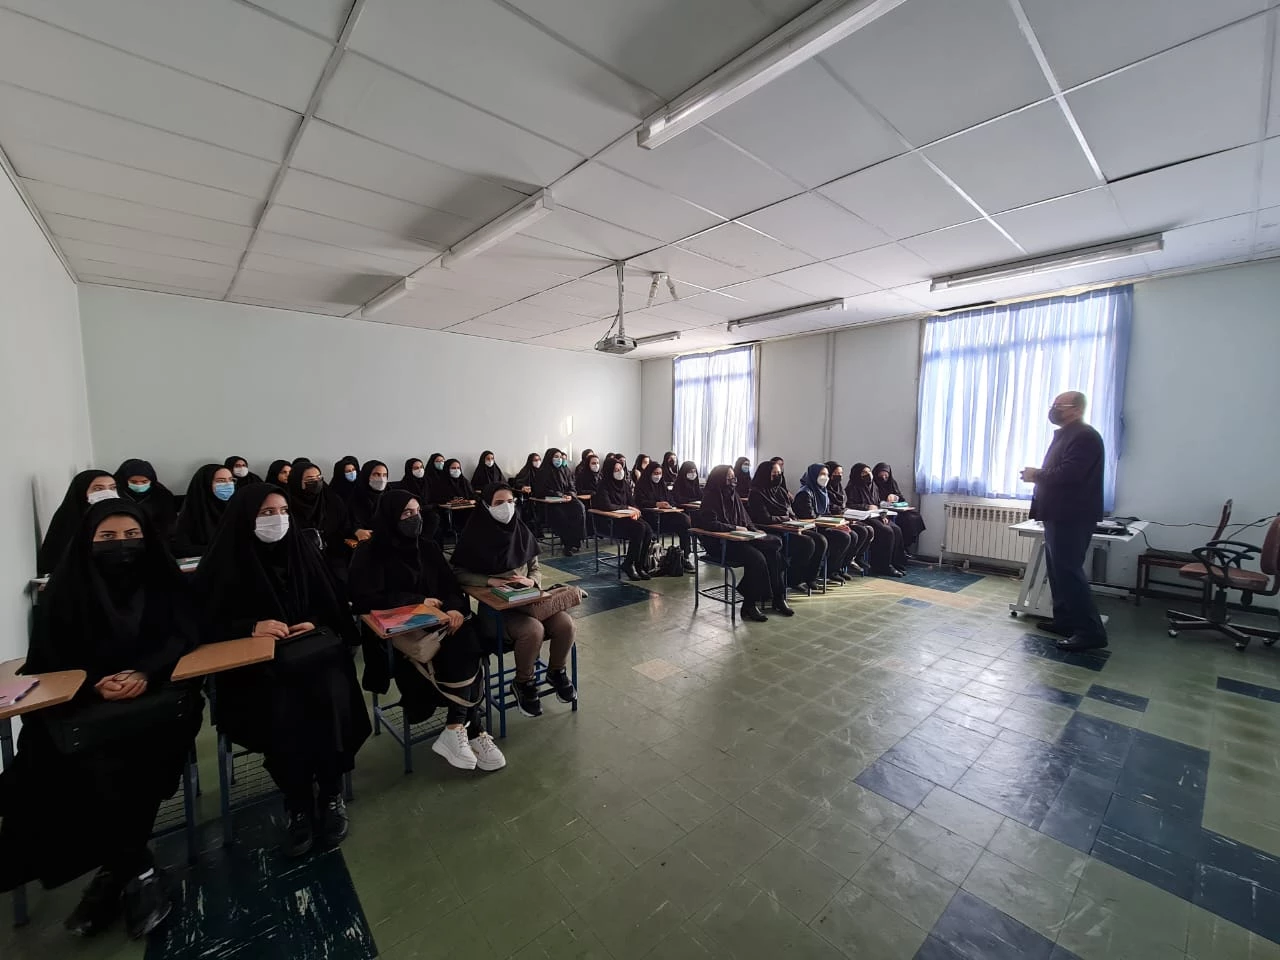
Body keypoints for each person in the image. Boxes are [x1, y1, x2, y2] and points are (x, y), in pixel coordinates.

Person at [0, 500, 202, 940]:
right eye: (107, 538)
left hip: (159, 699)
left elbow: (185, 635)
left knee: (135, 758)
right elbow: (49, 659)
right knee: (53, 762)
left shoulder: (164, 581)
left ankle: (116, 874)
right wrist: (94, 682)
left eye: (132, 536)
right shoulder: (67, 592)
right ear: (86, 542)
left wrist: (145, 672)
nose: (122, 546)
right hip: (86, 702)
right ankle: (135, 867)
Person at [193, 483, 370, 856]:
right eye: (266, 513)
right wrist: (250, 627)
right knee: (280, 710)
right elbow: (199, 623)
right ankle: (298, 800)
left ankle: (331, 790)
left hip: (313, 655)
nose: (278, 520)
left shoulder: (302, 552)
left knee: (331, 696)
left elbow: (332, 606)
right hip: (258, 668)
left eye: (283, 512)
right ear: (246, 518)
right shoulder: (226, 561)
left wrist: (313, 622)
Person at [348, 490, 504, 772]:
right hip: (400, 635)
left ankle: (456, 726)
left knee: (470, 634)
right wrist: (418, 601)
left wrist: (455, 609)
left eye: (418, 511)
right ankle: (473, 728)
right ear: (390, 517)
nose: (415, 518)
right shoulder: (369, 551)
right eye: (407, 513)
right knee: (464, 647)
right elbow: (363, 599)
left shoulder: (428, 547)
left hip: (440, 625)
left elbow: (450, 587)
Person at [451, 482, 577, 718]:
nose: (507, 507)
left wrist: (532, 580)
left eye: (510, 502)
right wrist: (489, 581)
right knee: (533, 630)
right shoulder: (474, 534)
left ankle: (556, 672)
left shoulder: (521, 530)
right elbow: (458, 573)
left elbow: (535, 568)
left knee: (565, 624)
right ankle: (523, 683)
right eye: (499, 503)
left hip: (528, 601)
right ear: (486, 506)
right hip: (496, 611)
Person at [1021, 391, 1108, 652]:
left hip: (1072, 515)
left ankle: (1090, 632)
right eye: (1054, 404)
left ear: (1077, 409)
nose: (1054, 408)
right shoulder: (1066, 435)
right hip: (1057, 514)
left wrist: (1036, 474)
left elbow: (1070, 474)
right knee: (1058, 572)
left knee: (1069, 573)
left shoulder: (1085, 436)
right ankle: (1065, 621)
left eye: (1060, 405)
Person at [695, 466, 792, 622]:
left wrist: (755, 531)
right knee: (757, 559)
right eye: (729, 478)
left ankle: (778, 598)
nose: (733, 481)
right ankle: (749, 604)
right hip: (721, 544)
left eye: (734, 477)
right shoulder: (711, 497)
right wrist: (734, 528)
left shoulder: (734, 495)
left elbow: (746, 520)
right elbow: (710, 524)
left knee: (773, 553)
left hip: (740, 540)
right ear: (719, 479)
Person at [748, 461, 826, 592]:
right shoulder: (756, 493)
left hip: (789, 528)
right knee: (807, 543)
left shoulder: (780, 491)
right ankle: (793, 579)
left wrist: (795, 522)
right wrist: (786, 519)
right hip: (772, 531)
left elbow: (790, 511)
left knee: (821, 540)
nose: (778, 476)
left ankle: (810, 577)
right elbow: (765, 519)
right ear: (765, 474)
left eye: (780, 473)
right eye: (774, 473)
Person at [286, 460, 359, 584]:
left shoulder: (332, 500)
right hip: (302, 561)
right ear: (296, 482)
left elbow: (344, 527)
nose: (316, 482)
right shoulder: (286, 505)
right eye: (310, 479)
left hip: (334, 556)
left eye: (318, 478)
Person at [38, 470, 121, 576]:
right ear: (81, 491)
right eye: (98, 489)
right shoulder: (69, 520)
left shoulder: (123, 517)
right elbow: (54, 561)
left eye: (112, 488)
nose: (108, 493)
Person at [792, 464, 861, 585]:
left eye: (827, 475)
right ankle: (813, 576)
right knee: (833, 539)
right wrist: (832, 524)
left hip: (822, 525)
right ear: (814, 475)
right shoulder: (805, 493)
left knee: (852, 535)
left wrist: (838, 523)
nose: (825, 477)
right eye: (822, 474)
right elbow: (810, 516)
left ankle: (836, 569)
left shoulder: (823, 492)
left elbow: (827, 512)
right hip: (811, 528)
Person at [591, 456, 656, 581]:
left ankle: (640, 564)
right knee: (639, 528)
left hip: (626, 519)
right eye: (616, 470)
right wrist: (626, 507)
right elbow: (607, 506)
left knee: (648, 530)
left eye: (620, 469)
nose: (620, 472)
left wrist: (635, 511)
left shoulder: (625, 484)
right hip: (611, 522)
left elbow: (632, 503)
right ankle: (629, 564)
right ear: (609, 471)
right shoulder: (603, 485)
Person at [847, 463, 907, 577]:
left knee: (896, 529)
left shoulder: (873, 486)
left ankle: (896, 563)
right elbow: (849, 505)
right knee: (887, 531)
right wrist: (866, 507)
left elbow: (878, 503)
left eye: (869, 472)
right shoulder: (852, 487)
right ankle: (883, 566)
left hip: (876, 515)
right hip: (863, 518)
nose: (868, 475)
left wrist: (883, 515)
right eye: (864, 473)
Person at [636, 460, 694, 569]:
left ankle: (685, 556)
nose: (658, 476)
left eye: (660, 473)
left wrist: (669, 505)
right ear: (649, 473)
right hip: (650, 518)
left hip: (664, 517)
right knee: (682, 521)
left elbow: (671, 499)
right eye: (655, 473)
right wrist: (656, 504)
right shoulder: (641, 486)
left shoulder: (662, 485)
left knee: (684, 521)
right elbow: (640, 502)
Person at [171, 464, 235, 558]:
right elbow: (180, 549)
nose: (228, 484)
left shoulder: (235, 508)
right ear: (206, 484)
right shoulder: (192, 513)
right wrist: (221, 548)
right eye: (221, 481)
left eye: (231, 480)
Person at [531, 448, 587, 555]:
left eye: (560, 457)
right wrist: (559, 495)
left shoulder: (565, 470)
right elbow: (539, 491)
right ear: (550, 458)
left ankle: (576, 541)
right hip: (550, 504)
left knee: (580, 508)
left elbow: (572, 486)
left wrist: (570, 495)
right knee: (562, 515)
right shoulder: (542, 472)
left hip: (566, 500)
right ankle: (567, 544)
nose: (559, 459)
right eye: (556, 457)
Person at [114, 460, 178, 544]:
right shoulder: (115, 493)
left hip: (155, 539)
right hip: (122, 538)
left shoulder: (162, 495)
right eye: (133, 482)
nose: (139, 485)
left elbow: (169, 524)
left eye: (144, 482)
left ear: (151, 480)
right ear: (124, 480)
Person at [823, 461, 870, 576]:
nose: (839, 476)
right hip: (829, 523)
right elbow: (828, 509)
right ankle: (834, 569)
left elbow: (843, 506)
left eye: (841, 473)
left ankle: (846, 563)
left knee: (865, 530)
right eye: (835, 473)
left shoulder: (840, 489)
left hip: (843, 519)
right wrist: (841, 514)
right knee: (849, 536)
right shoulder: (823, 490)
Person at [873, 463, 926, 553]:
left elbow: (901, 498)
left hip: (895, 510)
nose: (884, 478)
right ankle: (900, 548)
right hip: (882, 511)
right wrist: (883, 502)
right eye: (881, 475)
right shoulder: (873, 484)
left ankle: (905, 546)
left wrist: (895, 497)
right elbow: (873, 501)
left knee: (914, 517)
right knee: (903, 522)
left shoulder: (892, 482)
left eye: (886, 475)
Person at [348, 460, 389, 540]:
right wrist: (356, 531)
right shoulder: (353, 497)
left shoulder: (391, 496)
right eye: (376, 474)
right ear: (366, 476)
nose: (381, 479)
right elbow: (346, 525)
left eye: (384, 475)